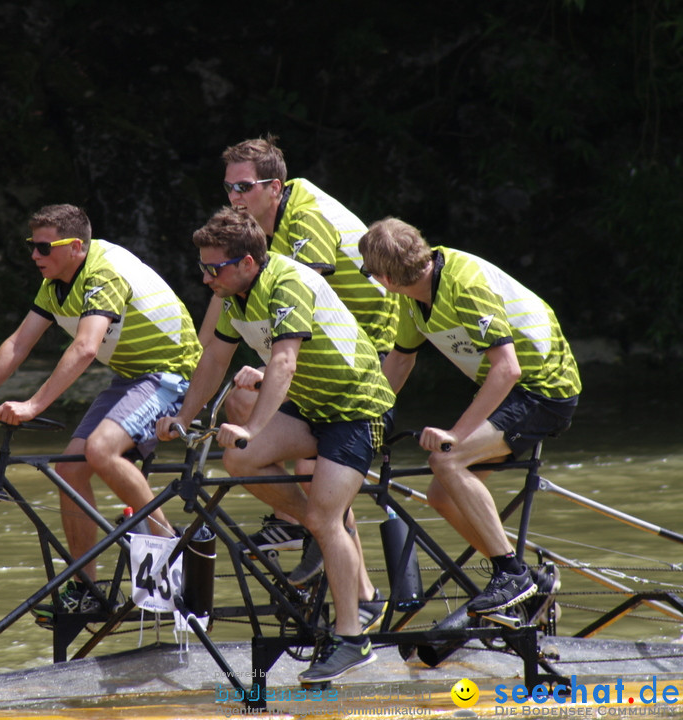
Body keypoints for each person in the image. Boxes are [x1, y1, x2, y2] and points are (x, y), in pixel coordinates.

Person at [156, 207, 395, 684]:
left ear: (246, 262)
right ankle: (319, 532)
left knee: (326, 518)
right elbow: (214, 361)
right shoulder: (234, 296)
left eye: (213, 268)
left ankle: (352, 640)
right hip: (312, 409)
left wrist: (252, 424)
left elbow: (283, 362)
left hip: (357, 408)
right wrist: (182, 417)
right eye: (201, 268)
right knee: (239, 460)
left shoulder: (287, 280)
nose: (205, 278)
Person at [0, 204, 202, 620]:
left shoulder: (103, 273)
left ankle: (170, 551)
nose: (35, 256)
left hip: (176, 377)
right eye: (32, 246)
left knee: (100, 451)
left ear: (76, 246)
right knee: (71, 471)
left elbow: (85, 347)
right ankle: (87, 590)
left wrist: (32, 406)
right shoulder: (55, 283)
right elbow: (18, 344)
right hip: (131, 379)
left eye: (44, 247)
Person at [358, 217, 581, 617]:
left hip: (544, 390)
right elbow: (399, 361)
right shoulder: (411, 298)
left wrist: (455, 435)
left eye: (369, 273)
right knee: (441, 494)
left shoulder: (464, 284)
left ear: (386, 279)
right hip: (512, 389)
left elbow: (507, 369)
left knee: (446, 458)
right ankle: (527, 582)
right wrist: (363, 419)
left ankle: (512, 576)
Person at [211, 136, 398, 613]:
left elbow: (296, 297)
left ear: (274, 187)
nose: (234, 197)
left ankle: (346, 578)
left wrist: (272, 359)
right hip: (315, 337)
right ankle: (324, 543)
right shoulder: (256, 230)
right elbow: (223, 309)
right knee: (240, 403)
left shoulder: (304, 216)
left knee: (321, 462)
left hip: (364, 340)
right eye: (229, 187)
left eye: (244, 187)